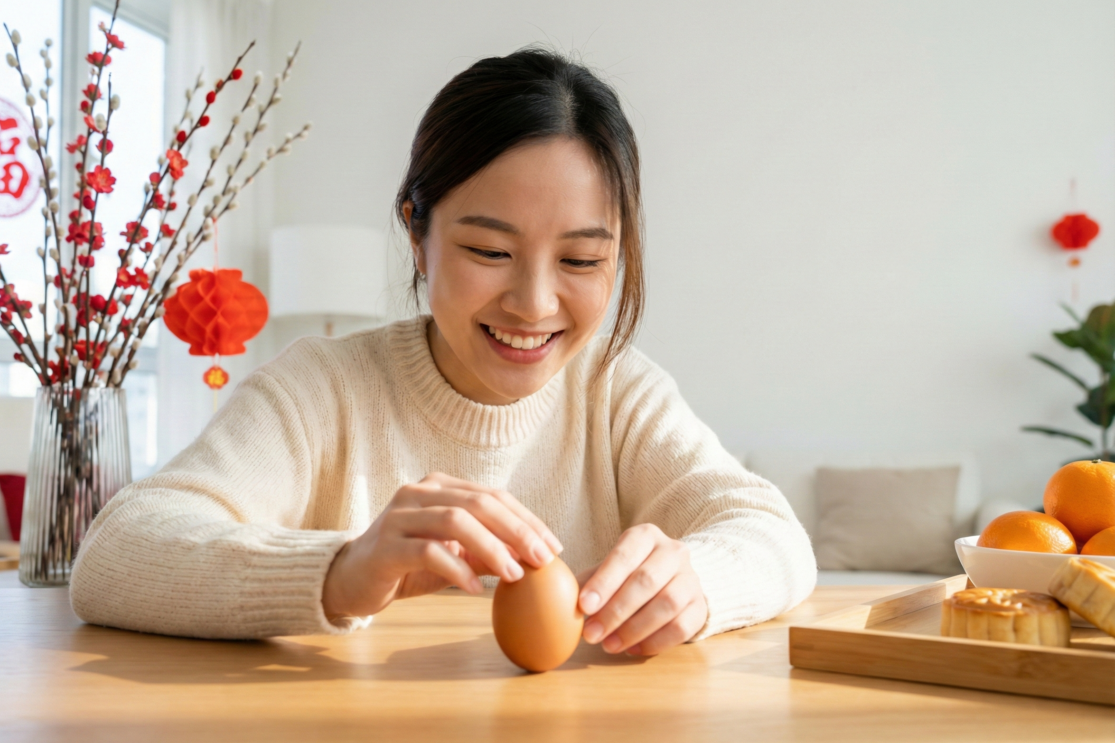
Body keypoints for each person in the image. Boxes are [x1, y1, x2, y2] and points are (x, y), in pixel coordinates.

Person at [70, 47, 816, 657]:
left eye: (583, 261)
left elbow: (774, 535)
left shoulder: (617, 392)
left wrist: (698, 579)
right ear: (416, 235)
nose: (533, 303)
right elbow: (114, 556)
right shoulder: (323, 388)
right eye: (490, 249)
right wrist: (340, 572)